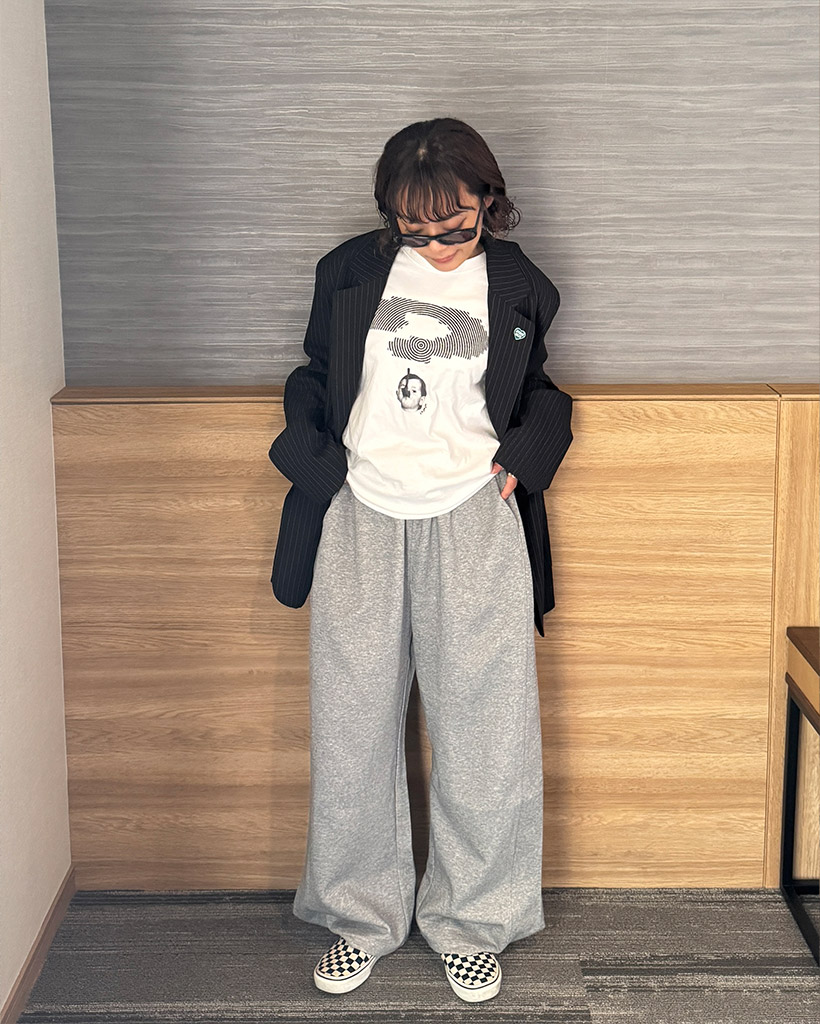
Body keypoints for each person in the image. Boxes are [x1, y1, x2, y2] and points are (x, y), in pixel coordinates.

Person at [268, 117, 573, 1004]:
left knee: (486, 730)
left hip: (473, 515)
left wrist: (524, 461)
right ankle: (359, 918)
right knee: (352, 725)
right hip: (360, 512)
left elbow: (540, 392)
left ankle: (473, 922)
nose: (437, 245)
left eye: (456, 227)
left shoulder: (520, 286)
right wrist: (320, 468)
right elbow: (312, 377)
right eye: (415, 230)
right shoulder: (349, 272)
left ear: (489, 202)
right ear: (391, 216)